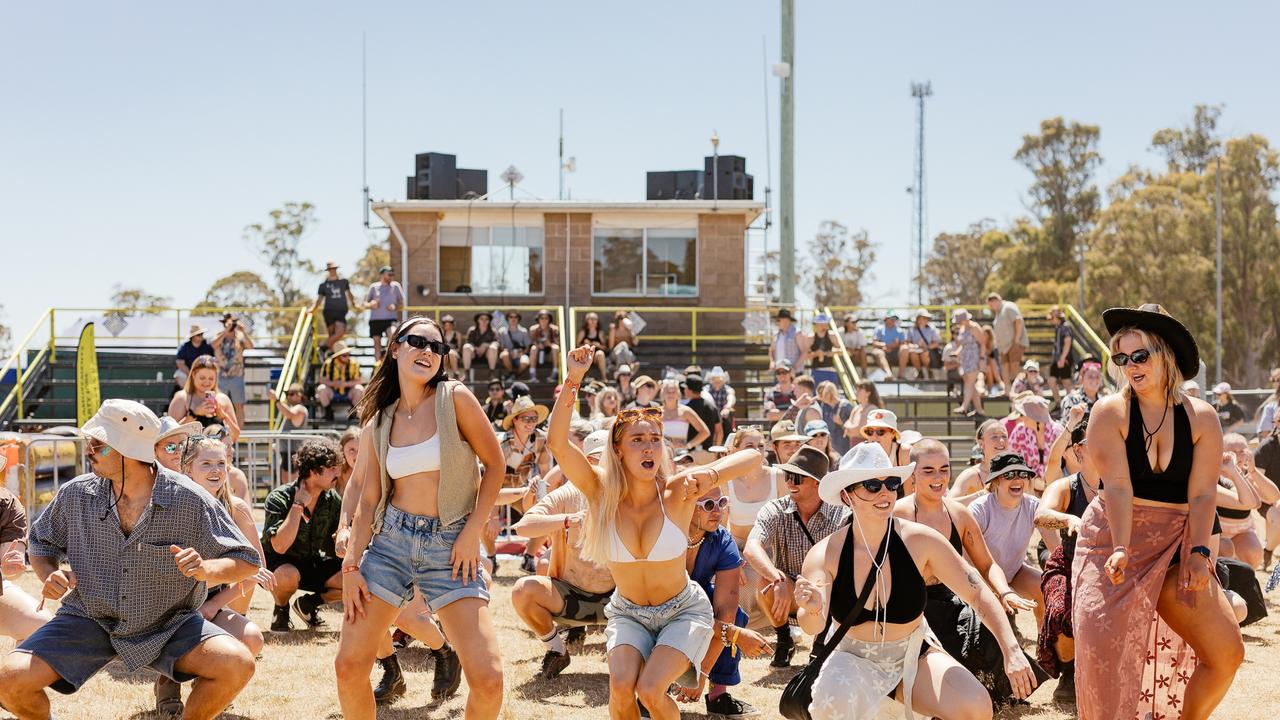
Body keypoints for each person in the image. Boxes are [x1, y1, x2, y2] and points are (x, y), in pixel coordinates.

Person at [0, 400, 261, 720]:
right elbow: (41, 544)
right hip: (88, 617)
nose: (89, 451)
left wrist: (207, 569)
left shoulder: (189, 499)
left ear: (126, 449)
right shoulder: (76, 494)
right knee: (9, 682)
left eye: (97, 444)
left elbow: (246, 560)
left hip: (169, 623)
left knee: (237, 664)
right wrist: (50, 574)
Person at [547, 345, 763, 720]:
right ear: (617, 450)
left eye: (654, 439)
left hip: (681, 611)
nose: (649, 446)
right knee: (619, 691)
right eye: (637, 439)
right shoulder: (600, 492)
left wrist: (708, 474)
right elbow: (556, 443)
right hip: (628, 612)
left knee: (649, 690)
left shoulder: (679, 491)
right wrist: (574, 379)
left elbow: (754, 457)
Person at [1073, 304, 1243, 720]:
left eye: (1140, 355)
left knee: (1227, 654)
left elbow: (1203, 495)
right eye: (1122, 358)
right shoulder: (1110, 411)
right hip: (1112, 543)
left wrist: (1200, 553)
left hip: (1174, 544)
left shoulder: (1201, 417)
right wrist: (1119, 546)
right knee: (1102, 660)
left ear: (1164, 354)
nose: (1130, 366)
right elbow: (1116, 484)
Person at [336, 316, 506, 720]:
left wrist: (470, 534)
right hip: (390, 543)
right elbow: (369, 497)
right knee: (348, 666)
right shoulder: (379, 418)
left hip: (451, 546)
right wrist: (351, 564)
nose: (428, 351)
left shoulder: (455, 398)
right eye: (417, 342)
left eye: (437, 347)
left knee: (489, 678)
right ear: (395, 348)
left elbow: (495, 465)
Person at [796, 442, 1036, 719]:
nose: (884, 493)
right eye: (872, 485)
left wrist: (1012, 650)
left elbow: (977, 593)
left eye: (891, 483)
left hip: (912, 654)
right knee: (833, 704)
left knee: (975, 706)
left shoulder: (921, 540)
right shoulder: (825, 553)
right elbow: (810, 623)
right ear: (847, 495)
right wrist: (812, 608)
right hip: (852, 658)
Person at [894, 439, 1041, 707]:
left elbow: (987, 564)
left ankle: (1005, 694)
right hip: (911, 608)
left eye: (944, 469)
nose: (938, 477)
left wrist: (1004, 591)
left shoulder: (958, 514)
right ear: (912, 471)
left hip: (950, 599)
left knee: (991, 632)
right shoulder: (896, 514)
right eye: (929, 470)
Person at [154, 436, 273, 715]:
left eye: (221, 463)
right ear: (187, 468)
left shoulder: (237, 510)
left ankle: (208, 689)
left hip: (211, 603)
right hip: (166, 606)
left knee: (252, 639)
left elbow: (255, 568)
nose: (215, 471)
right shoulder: (166, 506)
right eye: (205, 463)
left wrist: (214, 604)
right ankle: (166, 682)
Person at [509, 430, 616, 680]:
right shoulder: (569, 492)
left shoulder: (627, 492)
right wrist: (567, 520)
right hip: (570, 595)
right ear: (586, 462)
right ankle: (556, 650)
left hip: (620, 599)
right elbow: (524, 525)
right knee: (523, 591)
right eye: (599, 461)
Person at [742, 445, 844, 667]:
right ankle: (784, 639)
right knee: (765, 582)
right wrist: (777, 578)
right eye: (788, 476)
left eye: (797, 478)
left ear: (818, 483)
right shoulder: (775, 509)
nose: (789, 483)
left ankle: (821, 643)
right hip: (790, 588)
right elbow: (752, 547)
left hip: (830, 590)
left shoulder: (842, 513)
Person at [673, 485, 769, 719]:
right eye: (708, 505)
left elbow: (726, 609)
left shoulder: (722, 539)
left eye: (722, 502)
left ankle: (718, 695)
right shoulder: (668, 535)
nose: (717, 511)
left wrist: (702, 673)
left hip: (698, 602)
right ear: (688, 506)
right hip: (659, 604)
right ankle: (654, 688)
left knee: (734, 616)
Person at [1033, 413, 1098, 701]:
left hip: (1108, 568)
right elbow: (1041, 515)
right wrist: (1068, 519)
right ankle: (1070, 674)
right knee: (1061, 612)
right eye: (1091, 441)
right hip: (1068, 565)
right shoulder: (1066, 486)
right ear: (1078, 450)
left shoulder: (1120, 485)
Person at [262, 439, 345, 633]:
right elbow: (279, 546)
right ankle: (281, 609)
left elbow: (335, 539)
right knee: (287, 575)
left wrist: (342, 535)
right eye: (332, 468)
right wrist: (298, 506)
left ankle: (308, 604)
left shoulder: (332, 500)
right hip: (280, 564)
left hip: (312, 561)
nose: (338, 474)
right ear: (315, 471)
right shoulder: (279, 497)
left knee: (353, 577)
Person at [968, 452, 1046, 629]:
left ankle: (1044, 645)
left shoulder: (1033, 505)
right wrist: (1001, 590)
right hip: (980, 578)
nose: (1017, 479)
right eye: (1009, 475)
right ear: (995, 481)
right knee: (1000, 631)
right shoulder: (979, 510)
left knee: (1046, 587)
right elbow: (973, 563)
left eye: (1022, 474)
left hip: (1014, 572)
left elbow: (1055, 545)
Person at [0, 455, 52, 646]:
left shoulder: (9, 506)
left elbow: (10, 565)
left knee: (42, 626)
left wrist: (9, 568)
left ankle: (15, 675)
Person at [500, 395, 552, 573]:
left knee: (547, 516)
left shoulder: (540, 439)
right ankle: (490, 558)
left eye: (534, 419)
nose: (530, 423)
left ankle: (528, 557)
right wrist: (491, 516)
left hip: (523, 490)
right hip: (497, 491)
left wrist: (544, 500)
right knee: (485, 521)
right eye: (525, 418)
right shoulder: (502, 443)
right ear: (514, 420)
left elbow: (546, 472)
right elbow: (491, 480)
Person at [1219, 432, 1278, 568]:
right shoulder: (1215, 474)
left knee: (1253, 553)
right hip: (1217, 529)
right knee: (1224, 553)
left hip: (1242, 529)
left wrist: (1253, 470)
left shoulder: (1248, 475)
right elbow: (1247, 501)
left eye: (1242, 451)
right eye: (1233, 452)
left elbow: (1273, 496)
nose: (1239, 456)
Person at [168, 355, 240, 438]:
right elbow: (169, 435)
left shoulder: (223, 399)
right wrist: (194, 415)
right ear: (194, 375)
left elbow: (235, 436)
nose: (207, 382)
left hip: (217, 450)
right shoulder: (182, 398)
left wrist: (223, 416)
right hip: (191, 450)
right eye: (202, 378)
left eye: (211, 378)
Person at [949, 419, 1011, 504]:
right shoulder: (972, 475)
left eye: (1004, 436)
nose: (1001, 441)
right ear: (981, 444)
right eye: (994, 437)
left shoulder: (1015, 472)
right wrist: (982, 494)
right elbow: (948, 503)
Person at [1007, 393, 1063, 480]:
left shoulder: (1057, 432)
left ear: (1035, 417)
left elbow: (1064, 464)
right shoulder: (1020, 430)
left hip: (1055, 481)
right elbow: (1011, 458)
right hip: (1027, 482)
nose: (1021, 418)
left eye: (1023, 414)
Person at [315, 261, 366, 352]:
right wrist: (312, 309)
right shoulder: (323, 285)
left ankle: (322, 348)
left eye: (334, 268)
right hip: (329, 312)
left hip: (341, 312)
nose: (332, 271)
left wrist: (355, 305)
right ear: (328, 270)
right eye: (331, 269)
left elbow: (349, 294)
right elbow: (319, 300)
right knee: (332, 335)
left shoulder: (343, 282)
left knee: (340, 333)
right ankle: (330, 356)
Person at [212, 313, 253, 426]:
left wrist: (243, 331)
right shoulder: (219, 335)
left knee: (239, 405)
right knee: (219, 404)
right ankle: (219, 430)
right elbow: (213, 345)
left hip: (237, 375)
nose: (232, 325)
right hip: (221, 376)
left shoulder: (240, 336)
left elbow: (250, 346)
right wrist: (226, 331)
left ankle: (239, 432)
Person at [267, 383, 309, 486]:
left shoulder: (300, 408)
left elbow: (289, 414)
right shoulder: (294, 408)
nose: (288, 396)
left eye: (292, 393)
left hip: (293, 452)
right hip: (287, 451)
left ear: (300, 395)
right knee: (286, 482)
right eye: (287, 394)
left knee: (291, 483)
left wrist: (276, 400)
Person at [316, 342, 366, 422]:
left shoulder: (354, 363)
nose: (347, 357)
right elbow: (322, 380)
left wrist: (345, 384)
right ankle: (328, 412)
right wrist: (333, 384)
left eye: (347, 354)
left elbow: (359, 380)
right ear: (338, 356)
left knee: (359, 389)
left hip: (349, 392)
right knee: (321, 388)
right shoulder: (328, 363)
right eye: (344, 355)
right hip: (333, 392)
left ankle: (353, 413)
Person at [988, 292, 1030, 387]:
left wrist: (1016, 339)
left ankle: (1021, 390)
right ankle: (1007, 390)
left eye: (991, 304)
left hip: (1013, 343)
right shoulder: (998, 312)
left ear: (995, 300)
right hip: (1003, 347)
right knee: (1004, 369)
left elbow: (1018, 320)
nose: (991, 307)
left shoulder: (1008, 306)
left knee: (1015, 369)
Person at [365, 265, 405, 362]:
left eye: (392, 274)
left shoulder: (396, 286)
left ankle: (388, 359)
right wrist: (371, 304)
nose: (391, 276)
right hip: (375, 320)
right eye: (389, 274)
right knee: (376, 343)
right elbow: (365, 303)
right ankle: (378, 365)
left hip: (390, 319)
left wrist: (395, 306)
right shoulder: (374, 287)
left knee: (392, 335)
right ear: (382, 275)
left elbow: (402, 303)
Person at [659, 379, 710, 453]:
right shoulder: (657, 412)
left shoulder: (686, 411)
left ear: (678, 394)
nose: (671, 394)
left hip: (680, 454)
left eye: (673, 392)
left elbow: (705, 432)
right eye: (667, 392)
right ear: (662, 394)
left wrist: (688, 446)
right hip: (661, 453)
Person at [951, 308, 986, 416]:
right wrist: (957, 353)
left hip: (974, 358)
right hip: (965, 359)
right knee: (971, 384)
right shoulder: (962, 328)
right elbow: (963, 345)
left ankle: (964, 406)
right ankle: (979, 410)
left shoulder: (974, 327)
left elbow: (983, 343)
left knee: (969, 383)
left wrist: (981, 359)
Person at [814, 381, 854, 457]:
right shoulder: (824, 406)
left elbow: (855, 429)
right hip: (832, 448)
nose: (820, 397)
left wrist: (842, 423)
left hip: (846, 448)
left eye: (822, 393)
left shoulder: (845, 406)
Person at [682, 375, 721, 451]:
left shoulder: (685, 409)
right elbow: (719, 432)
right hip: (707, 453)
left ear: (689, 390)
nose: (684, 390)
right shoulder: (712, 407)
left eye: (685, 388)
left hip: (689, 454)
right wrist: (716, 451)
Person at [1046, 306, 1075, 405]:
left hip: (1064, 359)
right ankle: (1058, 404)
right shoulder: (1057, 328)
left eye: (1052, 316)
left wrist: (1063, 358)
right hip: (1056, 359)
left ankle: (1071, 405)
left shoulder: (1065, 327)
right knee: (1051, 381)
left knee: (1066, 382)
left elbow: (1068, 342)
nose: (1051, 319)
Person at [904, 309, 942, 380]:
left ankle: (929, 371)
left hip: (930, 353)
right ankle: (920, 372)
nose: (926, 320)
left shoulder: (932, 329)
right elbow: (907, 342)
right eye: (924, 318)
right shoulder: (911, 329)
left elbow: (936, 343)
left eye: (927, 318)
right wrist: (914, 346)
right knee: (913, 354)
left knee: (924, 353)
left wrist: (927, 347)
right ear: (918, 319)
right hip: (915, 351)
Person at [871, 311, 909, 380]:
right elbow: (874, 343)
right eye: (891, 318)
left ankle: (901, 375)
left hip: (896, 353)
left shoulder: (900, 330)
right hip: (883, 352)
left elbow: (904, 344)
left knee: (905, 348)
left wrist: (894, 346)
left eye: (894, 319)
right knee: (878, 352)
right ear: (886, 319)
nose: (893, 320)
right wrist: (885, 346)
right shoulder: (879, 329)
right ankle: (888, 374)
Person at [770, 308, 809, 373]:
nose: (778, 322)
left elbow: (804, 352)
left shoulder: (797, 333)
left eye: (780, 320)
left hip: (794, 373)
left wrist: (794, 367)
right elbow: (771, 350)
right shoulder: (776, 335)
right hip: (780, 372)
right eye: (778, 320)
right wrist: (772, 361)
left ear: (788, 321)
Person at [463, 311, 501, 379]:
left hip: (488, 356)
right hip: (474, 355)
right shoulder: (472, 330)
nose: (484, 321)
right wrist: (475, 348)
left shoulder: (493, 331)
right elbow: (468, 343)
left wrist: (486, 345)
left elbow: (497, 343)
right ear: (477, 320)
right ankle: (467, 374)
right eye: (481, 319)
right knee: (466, 347)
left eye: (486, 319)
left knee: (493, 348)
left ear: (489, 321)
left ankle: (492, 374)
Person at [497, 310, 534, 380]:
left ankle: (514, 376)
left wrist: (521, 353)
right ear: (507, 318)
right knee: (504, 354)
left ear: (518, 319)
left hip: (520, 356)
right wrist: (510, 353)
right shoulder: (502, 331)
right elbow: (501, 347)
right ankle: (512, 374)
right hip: (508, 356)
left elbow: (528, 347)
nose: (513, 319)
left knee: (525, 361)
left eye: (515, 317)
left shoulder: (523, 331)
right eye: (511, 317)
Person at [704, 367, 736, 442]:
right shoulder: (706, 389)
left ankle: (727, 441)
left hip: (723, 415)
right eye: (715, 379)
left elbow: (731, 397)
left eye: (719, 379)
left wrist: (727, 407)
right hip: (710, 416)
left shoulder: (728, 389)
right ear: (711, 379)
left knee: (727, 416)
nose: (717, 381)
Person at [528, 309, 561, 382]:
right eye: (542, 318)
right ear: (538, 319)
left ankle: (554, 374)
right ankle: (532, 375)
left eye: (546, 318)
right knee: (533, 348)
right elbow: (530, 343)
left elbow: (557, 344)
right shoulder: (533, 329)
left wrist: (549, 344)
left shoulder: (554, 329)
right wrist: (538, 345)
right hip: (537, 355)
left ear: (549, 319)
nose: (544, 320)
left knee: (555, 348)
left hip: (550, 355)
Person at [807, 313, 839, 387]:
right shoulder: (810, 338)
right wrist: (816, 354)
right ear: (816, 325)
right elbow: (806, 356)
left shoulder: (832, 336)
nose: (823, 326)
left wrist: (831, 352)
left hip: (830, 370)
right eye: (821, 324)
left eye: (825, 324)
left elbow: (841, 350)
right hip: (816, 370)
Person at [577, 311, 610, 378]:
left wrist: (598, 345)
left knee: (600, 353)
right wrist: (584, 344)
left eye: (595, 319)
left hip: (595, 357)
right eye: (591, 319)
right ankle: (581, 378)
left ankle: (604, 378)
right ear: (587, 321)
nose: (593, 321)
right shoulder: (583, 332)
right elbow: (577, 346)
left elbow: (605, 348)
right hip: (586, 355)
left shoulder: (600, 333)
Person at [1254, 367, 1280, 438]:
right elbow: (1264, 432)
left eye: (1278, 380)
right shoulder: (1271, 403)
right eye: (1274, 380)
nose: (1276, 383)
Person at [338, 426, 361, 496]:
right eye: (352, 450)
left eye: (360, 449)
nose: (356, 455)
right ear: (342, 451)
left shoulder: (373, 473)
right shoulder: (335, 474)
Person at [439, 314, 463, 378]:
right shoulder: (441, 334)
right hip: (444, 353)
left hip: (455, 353)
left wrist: (452, 350)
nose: (448, 326)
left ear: (452, 325)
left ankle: (455, 373)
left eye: (449, 324)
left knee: (451, 353)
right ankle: (444, 373)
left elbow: (459, 347)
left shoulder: (457, 334)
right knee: (446, 354)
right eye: (446, 325)